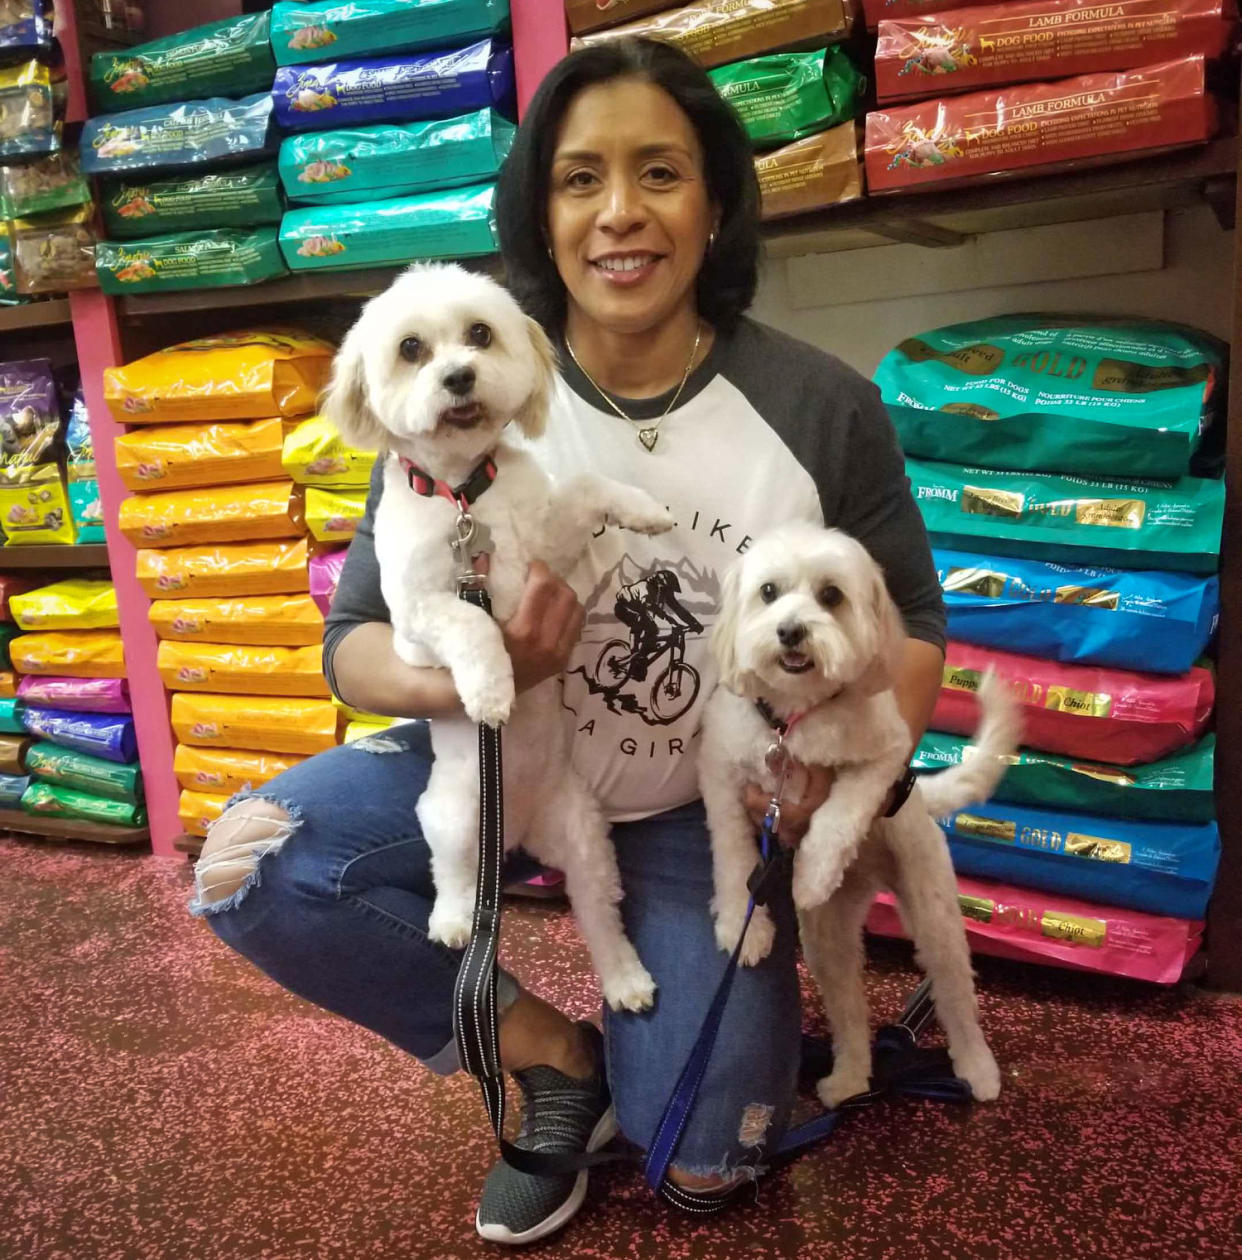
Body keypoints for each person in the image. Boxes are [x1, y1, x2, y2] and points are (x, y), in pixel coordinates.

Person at [188, 37, 946, 1247]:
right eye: (580, 179)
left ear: (716, 201)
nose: (620, 215)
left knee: (702, 1163)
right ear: (540, 212)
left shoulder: (819, 404)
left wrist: (836, 774)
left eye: (661, 172)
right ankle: (553, 1058)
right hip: (494, 758)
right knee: (251, 870)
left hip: (695, 807)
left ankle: (672, 1065)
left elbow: (913, 623)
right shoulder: (464, 383)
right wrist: (482, 674)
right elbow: (352, 648)